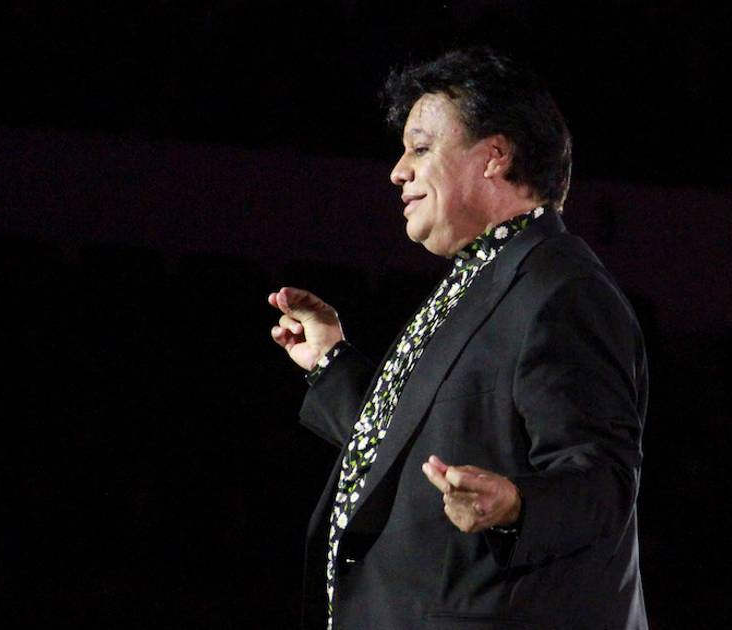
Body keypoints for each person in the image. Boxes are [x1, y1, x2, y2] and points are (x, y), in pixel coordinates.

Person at [268, 48, 648, 629]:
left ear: (495, 156)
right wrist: (331, 361)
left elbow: (604, 483)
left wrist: (516, 503)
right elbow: (415, 444)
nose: (398, 171)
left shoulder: (563, 290)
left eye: (420, 148)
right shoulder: (480, 279)